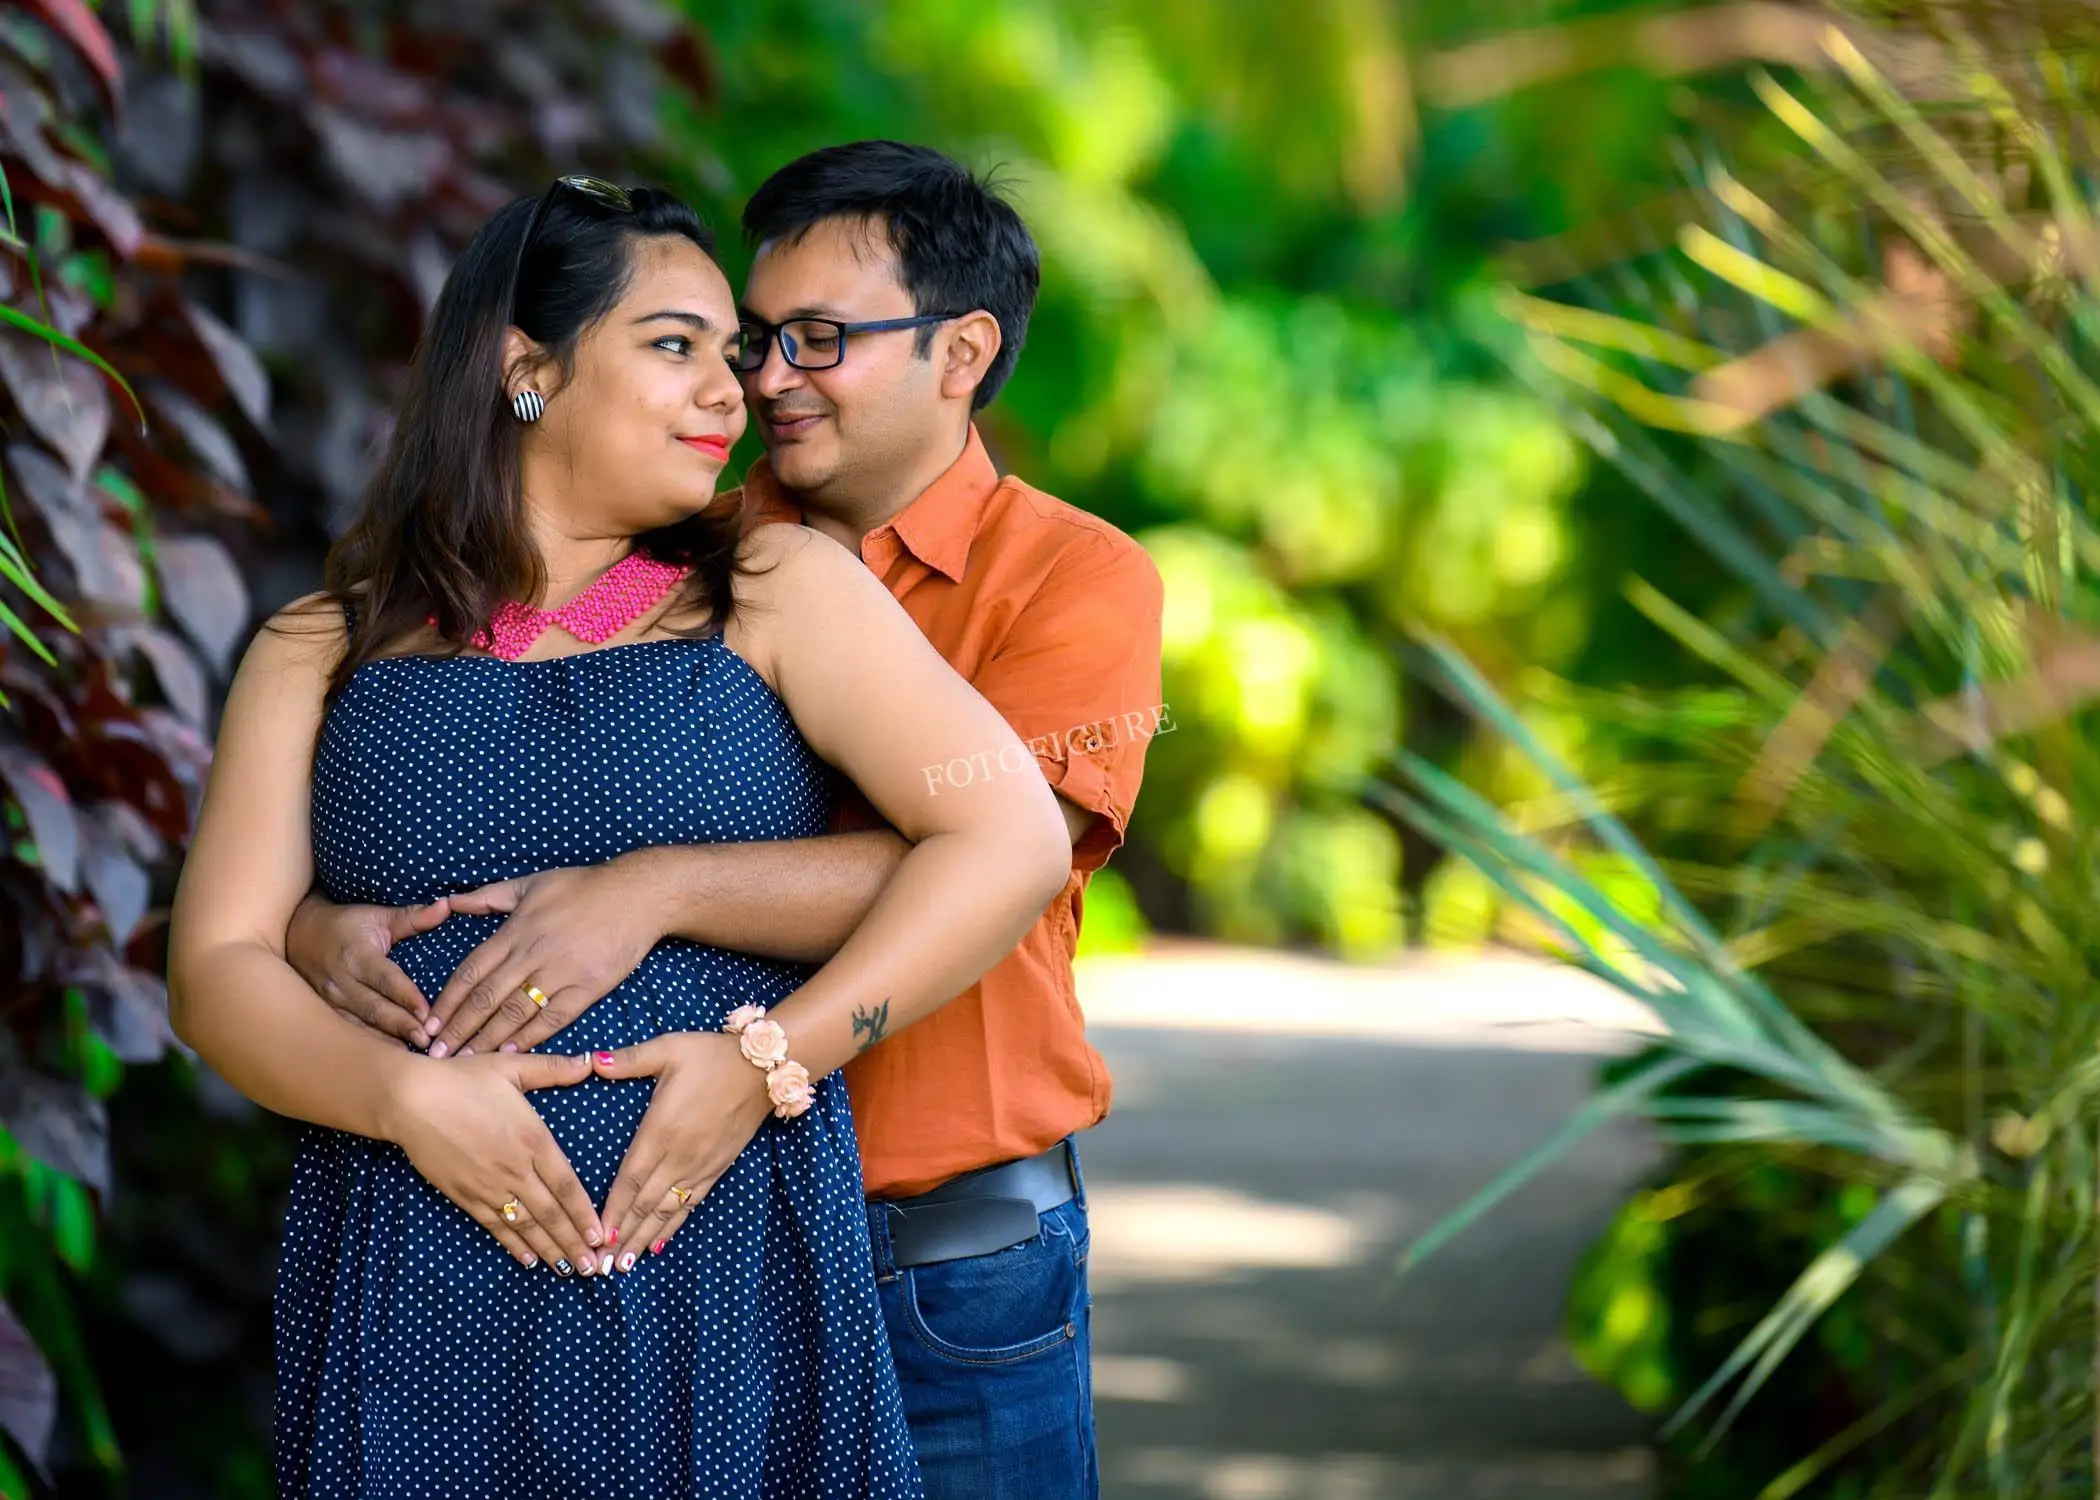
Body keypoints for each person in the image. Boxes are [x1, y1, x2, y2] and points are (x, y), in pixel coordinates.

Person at [166, 175, 1075, 1499]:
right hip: (414, 1273)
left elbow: (1008, 839)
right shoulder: (322, 645)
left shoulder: (774, 590)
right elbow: (217, 968)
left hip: (725, 1267)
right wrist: (411, 1100)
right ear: (525, 370)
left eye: (736, 351)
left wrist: (766, 1061)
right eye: (676, 347)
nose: (736, 392)